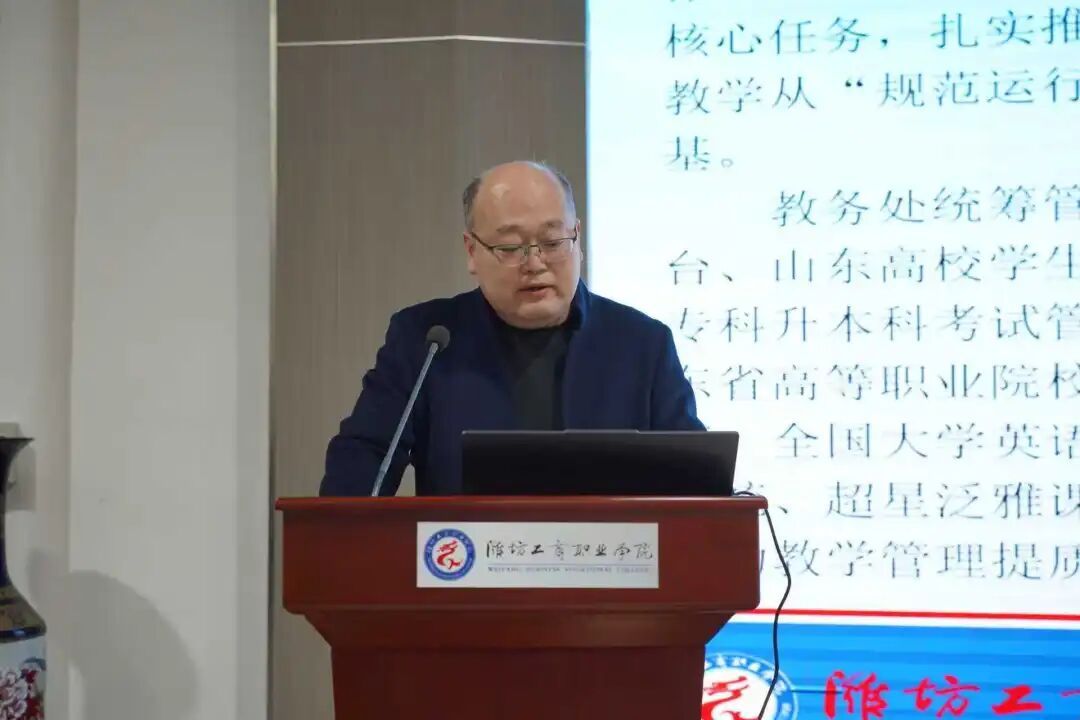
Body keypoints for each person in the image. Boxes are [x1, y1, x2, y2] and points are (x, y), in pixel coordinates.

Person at [320, 160, 704, 496]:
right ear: (472, 251)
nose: (534, 263)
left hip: (608, 557)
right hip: (468, 556)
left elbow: (695, 481)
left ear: (577, 238)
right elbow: (364, 456)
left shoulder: (642, 344)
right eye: (509, 248)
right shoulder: (427, 339)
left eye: (552, 242)